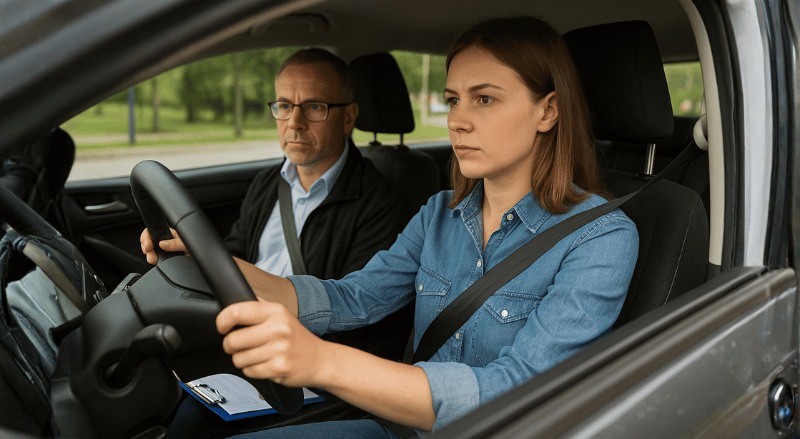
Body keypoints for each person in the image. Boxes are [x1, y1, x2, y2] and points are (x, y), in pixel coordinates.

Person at [164, 16, 639, 437]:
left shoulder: (600, 239)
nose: (458, 121)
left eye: (485, 99)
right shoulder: (438, 214)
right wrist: (214, 261)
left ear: (548, 111)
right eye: (453, 100)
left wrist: (322, 361)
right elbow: (354, 298)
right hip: (402, 427)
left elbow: (514, 389)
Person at [141, 48, 409, 357]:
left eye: (314, 106)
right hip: (236, 329)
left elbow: (356, 313)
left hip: (298, 357)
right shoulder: (268, 183)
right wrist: (189, 249)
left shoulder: (380, 203)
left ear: (348, 117)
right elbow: (236, 252)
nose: (294, 122)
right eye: (284, 105)